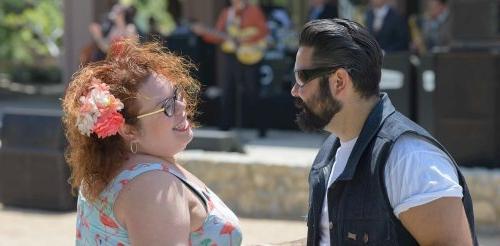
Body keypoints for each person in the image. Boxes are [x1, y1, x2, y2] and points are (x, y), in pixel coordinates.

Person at [291, 19, 477, 245]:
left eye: (302, 77)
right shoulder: (331, 151)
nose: (295, 90)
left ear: (339, 81)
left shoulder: (410, 158)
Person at [62, 40, 242, 245]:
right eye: (167, 106)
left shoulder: (109, 170)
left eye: (177, 93)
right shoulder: (153, 185)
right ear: (128, 130)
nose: (182, 106)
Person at [192, 0, 268, 131]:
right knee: (227, 88)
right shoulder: (227, 12)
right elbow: (218, 35)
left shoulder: (253, 10)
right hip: (231, 57)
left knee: (252, 90)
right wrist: (204, 32)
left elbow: (263, 31)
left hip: (250, 55)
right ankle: (225, 125)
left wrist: (244, 40)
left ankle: (260, 126)